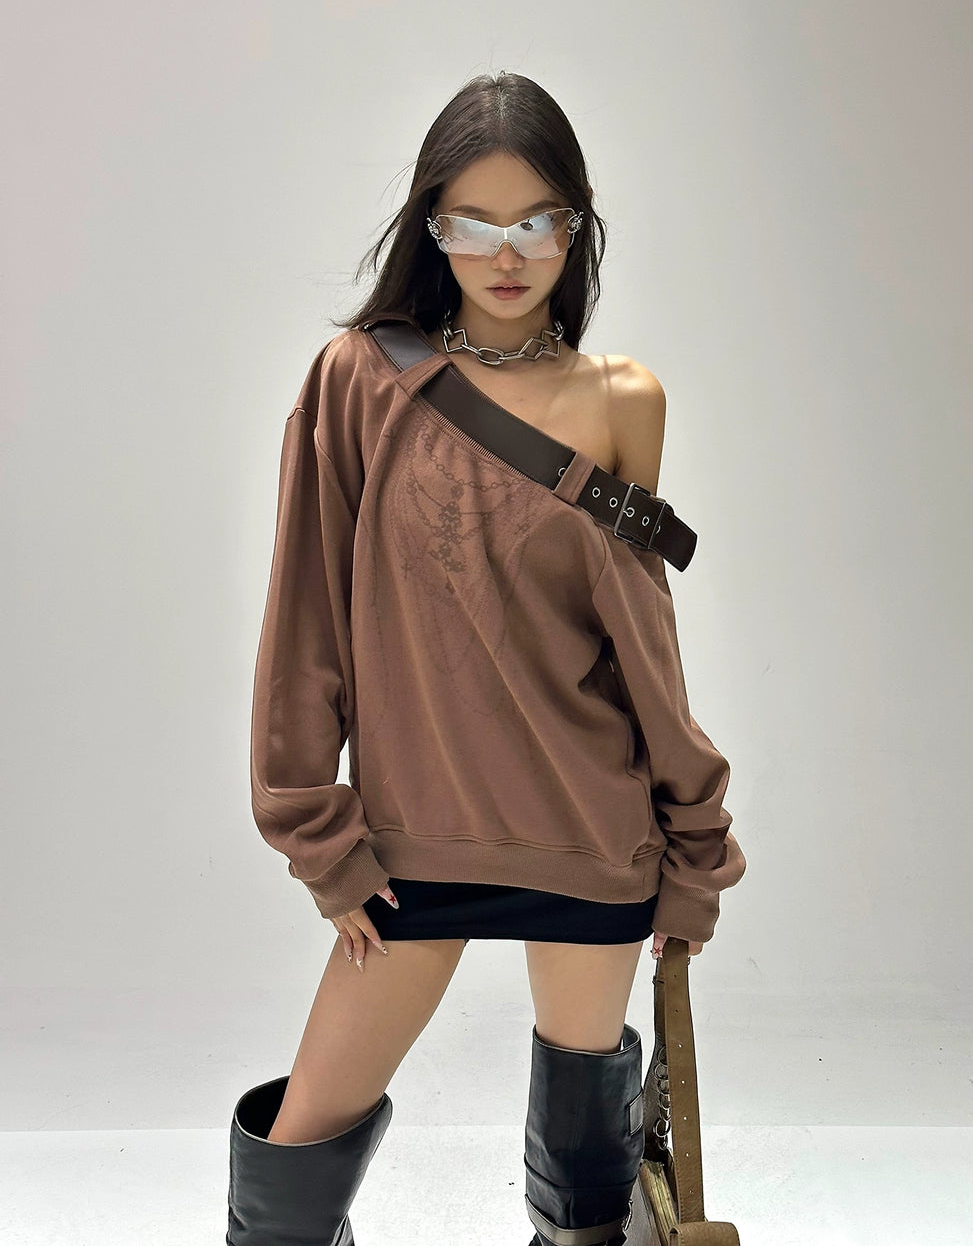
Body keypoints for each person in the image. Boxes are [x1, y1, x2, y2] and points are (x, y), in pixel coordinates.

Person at [226, 71, 747, 1246]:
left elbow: (641, 639)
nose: (505, 255)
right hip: (410, 839)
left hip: (591, 827)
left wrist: (694, 844)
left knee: (585, 1205)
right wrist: (319, 834)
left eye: (535, 223)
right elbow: (303, 618)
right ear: (431, 225)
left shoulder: (623, 397)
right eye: (472, 223)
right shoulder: (360, 379)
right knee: (291, 1181)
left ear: (575, 227)